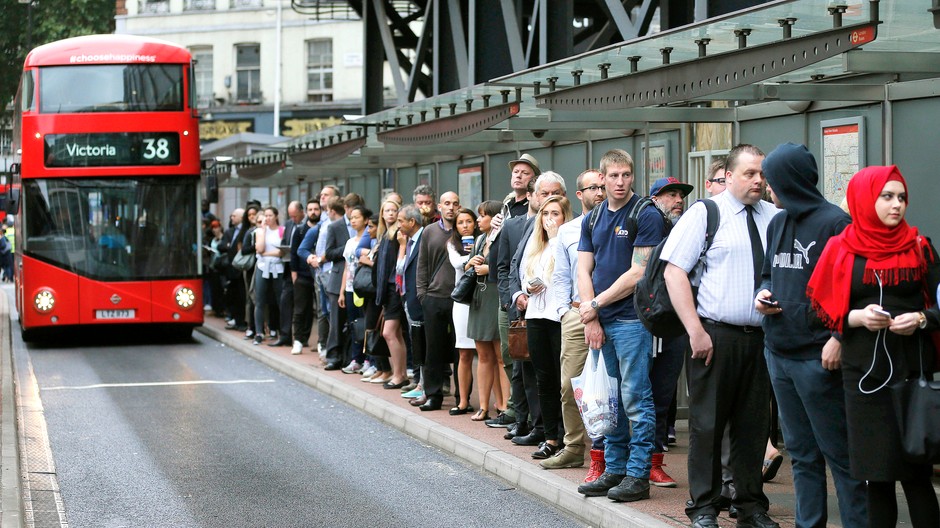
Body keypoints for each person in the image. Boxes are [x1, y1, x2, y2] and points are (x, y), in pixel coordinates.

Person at [807, 165, 940, 528]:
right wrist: (857, 318)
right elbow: (816, 313)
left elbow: (939, 307)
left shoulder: (919, 246)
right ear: (865, 199)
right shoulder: (842, 248)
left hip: (913, 376)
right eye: (886, 196)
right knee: (876, 477)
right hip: (864, 377)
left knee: (916, 476)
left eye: (901, 197)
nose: (896, 205)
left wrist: (921, 320)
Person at [662, 144, 781, 528]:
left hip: (761, 338)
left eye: (762, 174)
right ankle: (704, 507)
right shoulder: (706, 213)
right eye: (749, 173)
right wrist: (695, 330)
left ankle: (749, 505)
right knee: (708, 425)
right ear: (728, 176)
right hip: (714, 336)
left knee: (753, 426)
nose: (758, 181)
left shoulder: (774, 217)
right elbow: (673, 272)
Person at [756, 143, 867, 528]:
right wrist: (763, 294)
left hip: (818, 357)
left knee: (841, 455)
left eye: (771, 181)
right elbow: (769, 273)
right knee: (801, 453)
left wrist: (838, 337)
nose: (768, 189)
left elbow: (856, 288)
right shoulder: (777, 223)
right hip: (778, 352)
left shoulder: (836, 224)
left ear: (789, 181)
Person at [575, 150, 660, 503]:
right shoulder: (592, 218)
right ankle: (615, 468)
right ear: (602, 179)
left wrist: (595, 304)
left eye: (626, 175)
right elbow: (583, 269)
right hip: (601, 321)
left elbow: (638, 272)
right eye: (613, 176)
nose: (620, 182)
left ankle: (638, 475)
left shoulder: (646, 213)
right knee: (610, 400)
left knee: (636, 399)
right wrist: (591, 315)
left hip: (632, 321)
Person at [545, 168, 606, 481]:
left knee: (614, 389)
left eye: (602, 186)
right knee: (570, 385)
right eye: (592, 188)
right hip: (575, 315)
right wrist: (562, 311)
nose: (599, 191)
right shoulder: (568, 231)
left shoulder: (618, 223)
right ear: (579, 195)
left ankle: (609, 452)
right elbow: (560, 275)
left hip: (612, 314)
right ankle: (572, 448)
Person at [483, 153, 541, 430]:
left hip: (527, 295)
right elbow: (498, 254)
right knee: (509, 353)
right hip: (503, 289)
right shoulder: (506, 206)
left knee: (524, 357)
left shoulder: (533, 210)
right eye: (515, 171)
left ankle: (525, 415)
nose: (517, 175)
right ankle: (515, 411)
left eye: (524, 172)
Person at [646, 176, 694, 490]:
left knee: (664, 393)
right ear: (654, 199)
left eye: (680, 195)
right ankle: (638, 460)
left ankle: (656, 463)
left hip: (677, 321)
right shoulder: (649, 223)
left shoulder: (687, 229)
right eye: (670, 194)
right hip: (650, 320)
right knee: (644, 394)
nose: (677, 199)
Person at [518, 193, 573, 459]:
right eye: (546, 214)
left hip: (559, 317)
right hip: (536, 315)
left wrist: (556, 236)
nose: (550, 219)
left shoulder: (566, 240)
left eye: (555, 214)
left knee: (565, 381)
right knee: (543, 378)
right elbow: (524, 276)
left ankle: (569, 437)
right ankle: (551, 437)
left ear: (564, 217)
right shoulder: (536, 244)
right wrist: (528, 287)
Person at [415, 191, 460, 411]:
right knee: (433, 349)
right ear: (439, 207)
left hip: (460, 299)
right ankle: (434, 395)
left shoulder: (465, 230)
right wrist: (422, 295)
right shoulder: (429, 232)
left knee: (461, 350)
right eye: (447, 204)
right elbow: (422, 264)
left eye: (455, 204)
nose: (451, 207)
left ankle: (462, 396)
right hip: (433, 297)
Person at [467, 200, 508, 422]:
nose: (478, 220)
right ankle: (483, 406)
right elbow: (467, 268)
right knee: (483, 355)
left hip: (496, 297)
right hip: (479, 298)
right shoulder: (479, 239)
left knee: (501, 356)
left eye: (482, 215)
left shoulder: (503, 237)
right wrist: (470, 263)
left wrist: (487, 269)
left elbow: (509, 265)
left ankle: (504, 406)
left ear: (494, 217)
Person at [446, 207, 481, 415]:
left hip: (482, 297)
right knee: (464, 351)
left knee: (489, 353)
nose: (465, 225)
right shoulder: (452, 244)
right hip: (462, 300)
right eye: (460, 222)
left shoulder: (482, 239)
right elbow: (457, 264)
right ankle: (463, 400)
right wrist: (471, 259)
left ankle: (497, 403)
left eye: (468, 221)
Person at [373, 199, 409, 389]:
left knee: (389, 332)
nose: (390, 213)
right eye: (386, 210)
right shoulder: (384, 235)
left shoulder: (398, 234)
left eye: (394, 210)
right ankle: (400, 373)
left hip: (394, 289)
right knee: (395, 334)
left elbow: (399, 264)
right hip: (386, 290)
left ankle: (398, 374)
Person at [338, 205, 372, 373]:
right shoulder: (350, 242)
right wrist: (342, 291)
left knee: (367, 323)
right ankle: (355, 358)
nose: (353, 220)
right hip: (351, 288)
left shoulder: (370, 241)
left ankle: (369, 360)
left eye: (357, 217)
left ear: (366, 220)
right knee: (354, 324)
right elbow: (346, 268)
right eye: (351, 218)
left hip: (364, 287)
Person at [289, 198, 321, 355]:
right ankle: (299, 340)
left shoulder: (325, 228)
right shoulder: (300, 230)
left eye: (316, 209)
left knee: (320, 310)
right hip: (302, 276)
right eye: (310, 209)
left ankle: (320, 342)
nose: (313, 212)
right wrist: (294, 273)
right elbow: (294, 253)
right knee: (301, 309)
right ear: (306, 212)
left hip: (321, 275)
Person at [252, 206, 286, 345]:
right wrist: (264, 231)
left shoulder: (281, 230)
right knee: (260, 300)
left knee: (280, 300)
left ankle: (280, 330)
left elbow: (281, 252)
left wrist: (265, 254)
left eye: (270, 215)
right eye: (265, 215)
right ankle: (259, 332)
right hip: (263, 267)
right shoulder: (260, 231)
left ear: (276, 216)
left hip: (277, 267)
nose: (267, 218)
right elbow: (259, 249)